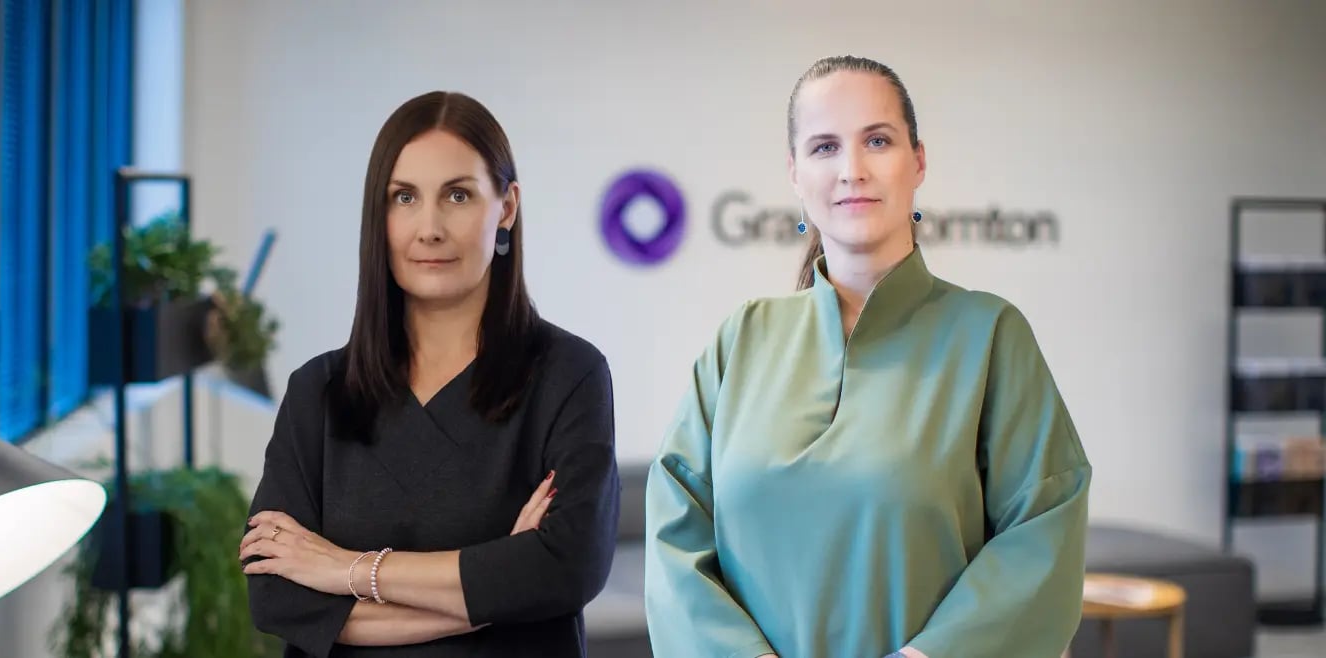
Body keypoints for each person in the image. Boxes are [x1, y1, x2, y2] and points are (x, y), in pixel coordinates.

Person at [643, 55, 1092, 658]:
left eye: (877, 140)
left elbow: (1045, 529)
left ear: (918, 161)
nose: (852, 170)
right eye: (825, 147)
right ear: (795, 173)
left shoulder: (990, 336)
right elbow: (675, 535)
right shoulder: (742, 339)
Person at [239, 91, 621, 657]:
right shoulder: (317, 392)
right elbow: (275, 595)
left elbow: (565, 569)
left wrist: (344, 569)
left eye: (458, 195)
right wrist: (490, 594)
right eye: (405, 197)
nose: (430, 228)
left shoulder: (569, 375)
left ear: (506, 207)